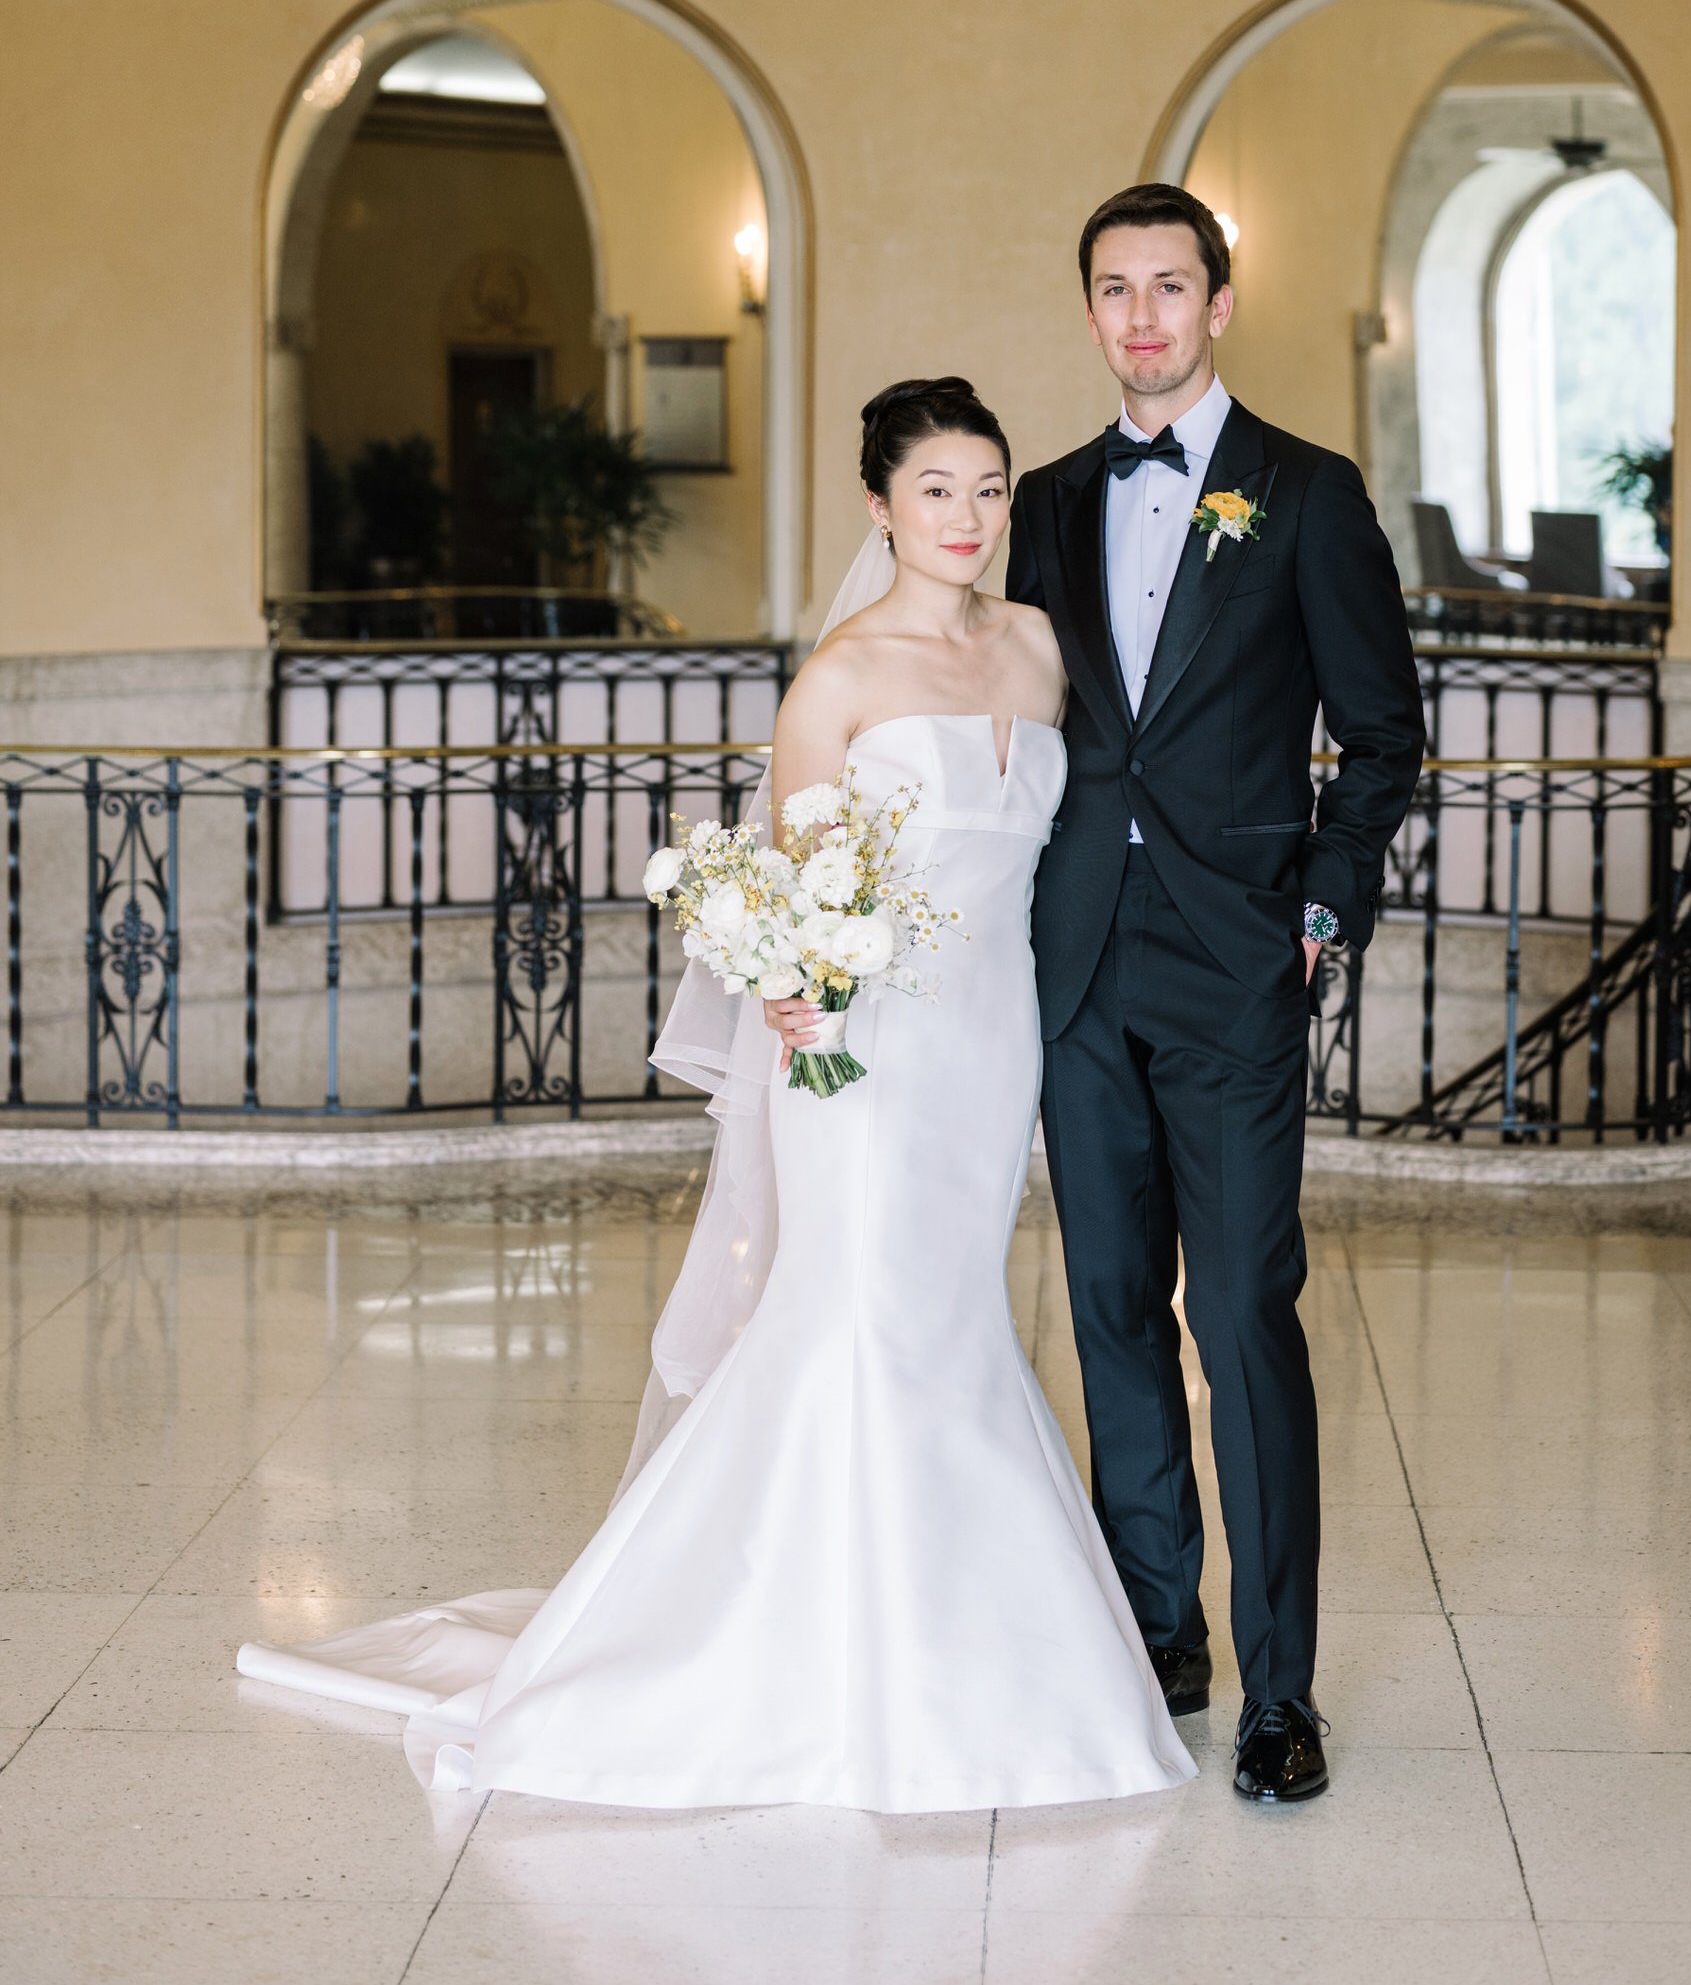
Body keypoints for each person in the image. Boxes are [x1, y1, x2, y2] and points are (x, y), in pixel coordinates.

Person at [236, 376, 1194, 1815]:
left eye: (990, 489)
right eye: (937, 489)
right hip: (861, 1054)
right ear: (881, 507)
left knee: (951, 1321)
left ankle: (954, 1640)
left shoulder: (1043, 650)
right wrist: (792, 981)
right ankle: (819, 1666)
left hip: (992, 1048)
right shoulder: (841, 680)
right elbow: (793, 890)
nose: (970, 516)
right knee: (859, 1322)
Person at [1007, 183, 1425, 1804]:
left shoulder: (1308, 496)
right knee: (1109, 1307)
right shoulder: (1042, 502)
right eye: (1113, 290)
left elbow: (1381, 737)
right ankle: (1158, 1626)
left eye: (1169, 288)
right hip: (1077, 959)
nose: (1141, 319)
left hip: (1238, 960)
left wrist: (1321, 903)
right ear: (1093, 309)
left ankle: (1280, 1687)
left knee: (1242, 1316)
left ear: (1221, 303)